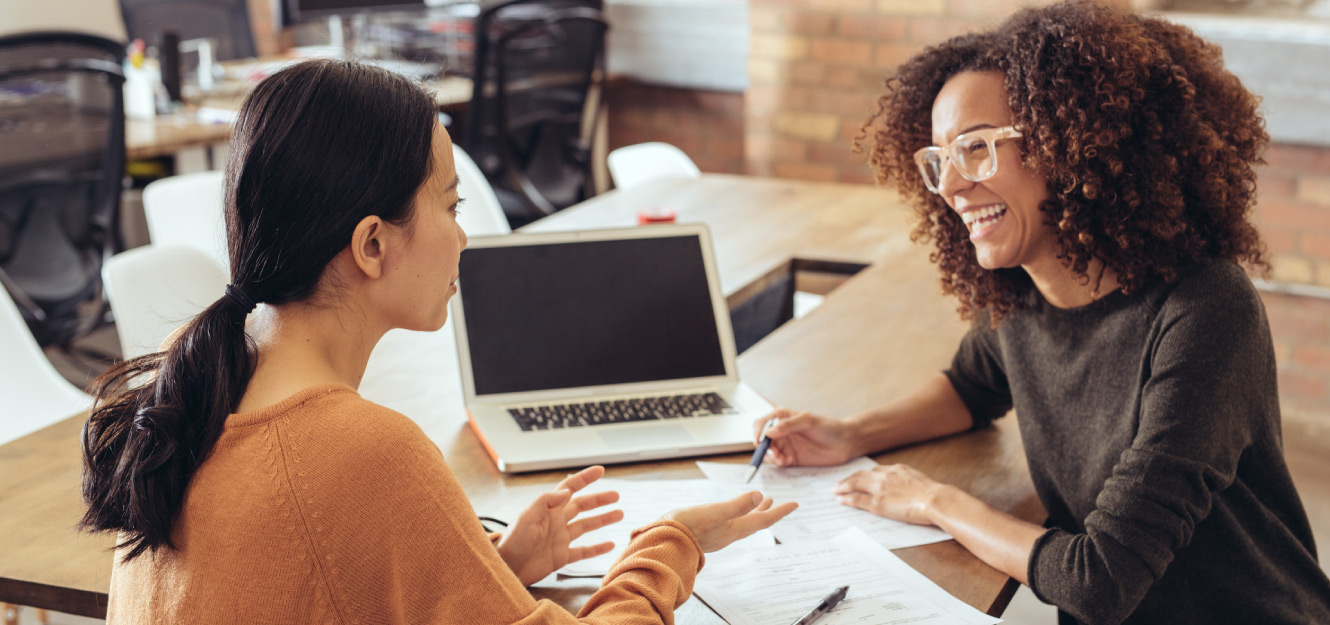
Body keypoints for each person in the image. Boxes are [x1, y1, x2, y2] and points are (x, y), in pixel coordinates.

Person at [79, 59, 796, 623]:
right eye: (451, 206)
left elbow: (312, 586)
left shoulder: (195, 374)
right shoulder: (363, 450)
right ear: (370, 243)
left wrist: (490, 566)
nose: (463, 235)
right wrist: (671, 542)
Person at [752, 3, 1330, 624]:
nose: (950, 186)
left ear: (1073, 146)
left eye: (976, 148)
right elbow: (970, 388)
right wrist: (850, 434)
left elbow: (1099, 579)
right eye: (940, 159)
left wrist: (933, 501)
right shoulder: (1023, 295)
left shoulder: (1206, 311)